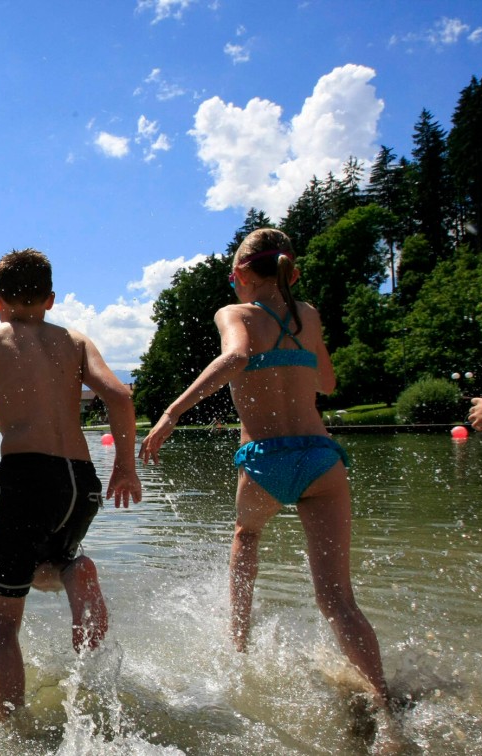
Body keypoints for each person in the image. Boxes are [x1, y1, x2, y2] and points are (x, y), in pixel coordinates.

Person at [138, 228, 391, 711]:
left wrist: (171, 414)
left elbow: (235, 357)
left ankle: (237, 642)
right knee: (338, 600)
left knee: (247, 535)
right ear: (289, 272)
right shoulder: (309, 315)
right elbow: (330, 383)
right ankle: (384, 704)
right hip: (320, 457)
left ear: (240, 276)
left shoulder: (235, 313)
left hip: (264, 460)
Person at [0, 249, 142, 723]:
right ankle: (72, 572)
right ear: (50, 298)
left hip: (27, 479)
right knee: (46, 562)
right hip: (81, 483)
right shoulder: (75, 340)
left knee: (1, 627)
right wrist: (125, 467)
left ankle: (15, 735)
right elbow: (119, 394)